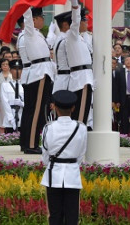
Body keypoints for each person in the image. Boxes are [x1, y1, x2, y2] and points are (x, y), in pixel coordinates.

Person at [17, 0, 56, 154]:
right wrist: (26, 2)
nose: (43, 21)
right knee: (36, 111)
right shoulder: (30, 32)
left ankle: (26, 141)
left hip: (38, 72)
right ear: (34, 19)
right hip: (39, 73)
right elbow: (27, 17)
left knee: (31, 110)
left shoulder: (37, 34)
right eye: (41, 18)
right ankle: (31, 144)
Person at [41, 90, 88, 225]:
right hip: (72, 174)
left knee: (54, 216)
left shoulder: (48, 128)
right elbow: (81, 153)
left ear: (54, 107)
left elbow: (45, 155)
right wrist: (71, 164)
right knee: (72, 216)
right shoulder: (81, 128)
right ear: (73, 108)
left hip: (53, 174)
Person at [1, 59, 25, 133]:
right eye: (14, 69)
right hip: (10, 117)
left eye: (19, 69)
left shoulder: (26, 85)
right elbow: (5, 103)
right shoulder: (5, 85)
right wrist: (11, 119)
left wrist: (22, 103)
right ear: (10, 70)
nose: (17, 71)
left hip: (23, 116)